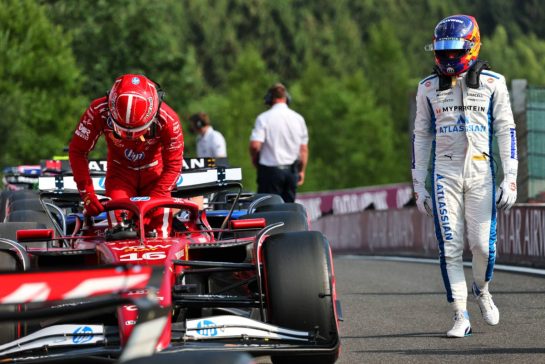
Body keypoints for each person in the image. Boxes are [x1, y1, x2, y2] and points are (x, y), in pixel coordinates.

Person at [412, 15, 518, 338]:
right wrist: (419, 185)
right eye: (442, 50)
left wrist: (510, 177)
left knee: (482, 247)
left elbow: (506, 129)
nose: (446, 57)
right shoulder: (427, 88)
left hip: (481, 171)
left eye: (453, 50)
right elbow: (420, 136)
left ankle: (482, 289)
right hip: (444, 174)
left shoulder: (493, 83)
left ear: (471, 47)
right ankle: (460, 313)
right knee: (450, 246)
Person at [69, 74, 184, 237]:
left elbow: (174, 166)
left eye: (138, 131)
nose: (130, 136)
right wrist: (87, 193)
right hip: (119, 178)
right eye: (123, 130)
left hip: (155, 180)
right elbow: (77, 151)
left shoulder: (169, 120)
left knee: (161, 234)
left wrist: (156, 199)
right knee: (119, 232)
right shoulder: (98, 111)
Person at [249, 83, 308, 203]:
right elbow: (303, 150)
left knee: (268, 211)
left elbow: (255, 145)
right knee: (289, 213)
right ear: (287, 98)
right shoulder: (298, 119)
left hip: (270, 173)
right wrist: (301, 170)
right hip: (291, 172)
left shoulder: (263, 118)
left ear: (270, 99)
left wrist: (255, 158)